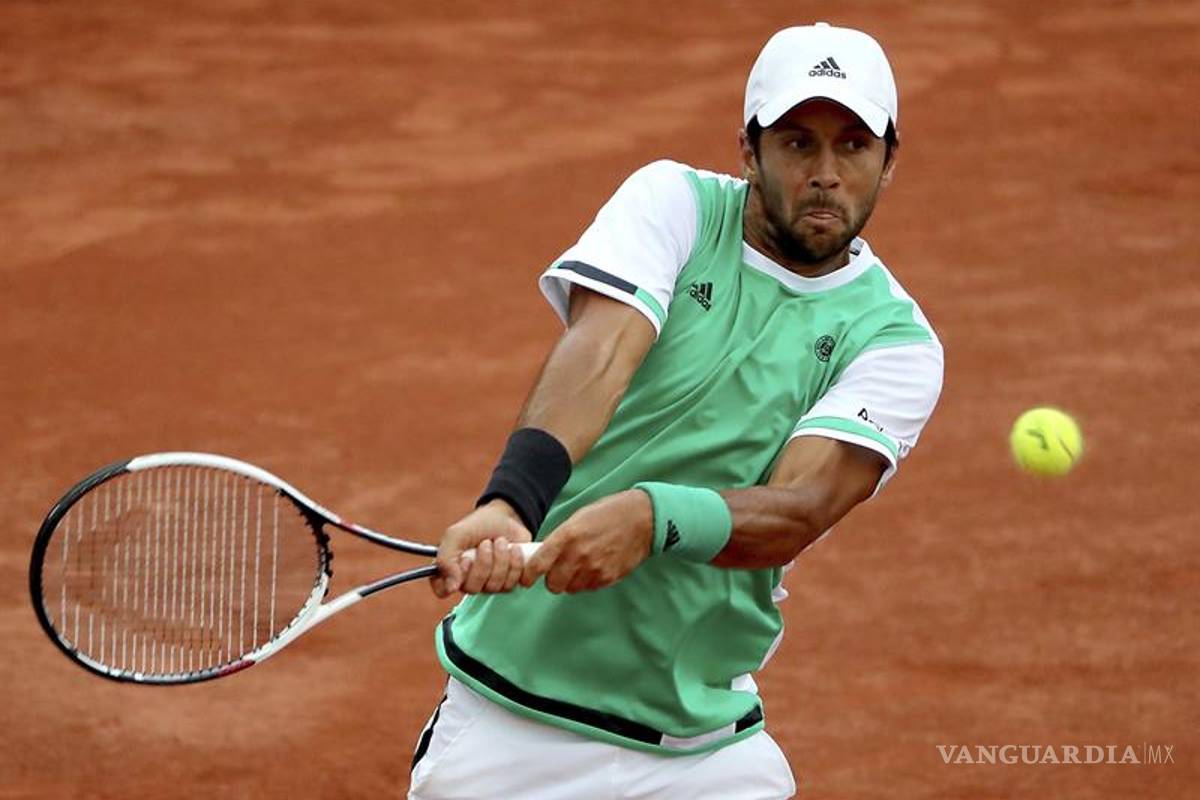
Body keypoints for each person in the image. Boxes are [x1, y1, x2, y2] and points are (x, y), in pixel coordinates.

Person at [410, 21, 943, 800]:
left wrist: (650, 516)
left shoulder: (897, 340)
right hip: (509, 732)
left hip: (704, 753)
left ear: (888, 162)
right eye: (798, 143)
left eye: (853, 147)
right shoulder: (676, 204)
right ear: (748, 150)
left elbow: (801, 506)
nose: (827, 173)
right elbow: (602, 353)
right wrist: (511, 500)